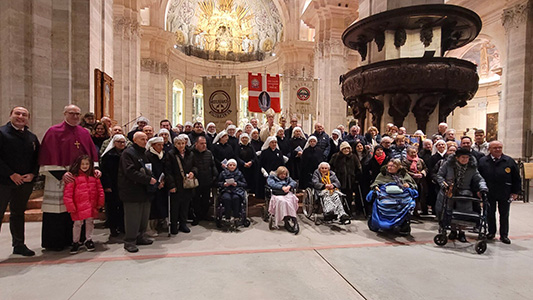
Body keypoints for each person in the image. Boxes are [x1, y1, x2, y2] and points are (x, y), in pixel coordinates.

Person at [39, 104, 99, 251]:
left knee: (79, 209)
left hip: (82, 177)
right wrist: (61, 174)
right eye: (72, 113)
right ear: (64, 113)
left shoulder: (84, 133)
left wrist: (95, 169)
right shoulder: (54, 131)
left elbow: (91, 153)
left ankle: (78, 240)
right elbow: (48, 154)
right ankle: (56, 242)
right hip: (59, 176)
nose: (75, 116)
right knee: (59, 209)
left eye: (78, 114)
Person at [0, 106, 40, 256]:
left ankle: (19, 244)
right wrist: (11, 174)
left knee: (18, 213)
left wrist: (32, 174)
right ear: (11, 115)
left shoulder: (31, 137)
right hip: (3, 181)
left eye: (24, 115)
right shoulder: (2, 133)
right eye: (17, 113)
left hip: (24, 181)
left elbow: (37, 159)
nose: (21, 116)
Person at [434, 148, 487, 243]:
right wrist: (443, 184)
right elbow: (439, 175)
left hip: (464, 193)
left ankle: (461, 232)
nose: (465, 159)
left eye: (467, 157)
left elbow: (479, 179)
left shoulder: (472, 167)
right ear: (457, 158)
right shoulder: (448, 165)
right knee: (448, 212)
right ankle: (453, 231)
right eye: (463, 157)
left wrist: (483, 187)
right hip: (448, 192)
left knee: (463, 214)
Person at [118, 132, 157, 253]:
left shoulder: (143, 153)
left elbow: (148, 169)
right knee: (132, 217)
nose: (145, 141)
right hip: (132, 191)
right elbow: (130, 172)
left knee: (143, 216)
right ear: (134, 140)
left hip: (144, 190)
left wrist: (153, 178)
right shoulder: (128, 153)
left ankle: (141, 236)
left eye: (146, 139)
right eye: (142, 139)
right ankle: (130, 241)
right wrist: (148, 179)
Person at [478, 141, 521, 244]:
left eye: (499, 148)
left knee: (504, 214)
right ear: (489, 149)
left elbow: (516, 178)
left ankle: (504, 235)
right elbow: (478, 177)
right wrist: (478, 190)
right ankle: (491, 232)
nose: (497, 150)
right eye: (495, 148)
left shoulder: (509, 161)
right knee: (490, 213)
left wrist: (515, 192)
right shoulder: (483, 161)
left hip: (504, 192)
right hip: (489, 192)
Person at [63, 155, 104, 254]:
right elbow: (68, 193)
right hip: (78, 206)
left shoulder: (94, 176)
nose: (85, 166)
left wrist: (100, 203)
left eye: (87, 164)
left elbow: (100, 190)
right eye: (82, 164)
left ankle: (88, 239)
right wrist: (70, 206)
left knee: (90, 222)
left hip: (91, 204)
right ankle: (75, 242)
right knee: (77, 224)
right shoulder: (73, 176)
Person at [166, 134, 195, 234]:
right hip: (176, 184)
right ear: (175, 144)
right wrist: (171, 185)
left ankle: (183, 223)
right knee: (175, 206)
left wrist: (193, 172)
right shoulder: (170, 154)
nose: (181, 146)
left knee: (185, 205)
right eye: (178, 144)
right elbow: (168, 171)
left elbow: (195, 166)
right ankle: (174, 225)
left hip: (187, 184)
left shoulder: (190, 154)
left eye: (183, 143)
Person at [100, 134, 127, 236]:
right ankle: (113, 228)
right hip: (112, 185)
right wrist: (107, 186)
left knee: (122, 207)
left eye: (123, 142)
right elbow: (105, 172)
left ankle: (122, 226)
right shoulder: (108, 155)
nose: (121, 144)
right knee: (112, 208)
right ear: (114, 143)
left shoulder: (126, 153)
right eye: (119, 142)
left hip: (123, 185)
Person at [329, 142, 362, 216]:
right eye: (344, 148)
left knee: (349, 197)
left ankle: (348, 212)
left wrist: (356, 177)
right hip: (338, 180)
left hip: (350, 180)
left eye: (348, 148)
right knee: (338, 196)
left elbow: (358, 168)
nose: (346, 150)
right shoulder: (336, 156)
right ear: (341, 149)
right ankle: (338, 212)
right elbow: (331, 167)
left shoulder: (353, 157)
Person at [191, 136, 218, 225]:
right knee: (196, 200)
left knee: (206, 199)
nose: (204, 145)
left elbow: (212, 165)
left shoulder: (209, 153)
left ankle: (204, 215)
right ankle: (197, 216)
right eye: (201, 143)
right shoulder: (191, 153)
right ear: (196, 144)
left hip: (207, 180)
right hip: (196, 180)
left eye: (205, 143)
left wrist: (215, 175)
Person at [145, 137, 168, 237]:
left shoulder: (164, 155)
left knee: (162, 204)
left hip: (163, 184)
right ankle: (150, 227)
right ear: (153, 145)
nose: (161, 147)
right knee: (153, 207)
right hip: (152, 185)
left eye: (162, 145)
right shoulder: (148, 155)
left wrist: (163, 181)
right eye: (158, 145)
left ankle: (161, 222)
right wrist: (156, 183)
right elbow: (148, 171)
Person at [267, 166, 299, 232]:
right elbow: (271, 184)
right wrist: (282, 187)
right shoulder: (272, 177)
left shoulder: (287, 178)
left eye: (285, 174)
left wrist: (289, 186)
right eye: (282, 174)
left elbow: (294, 182)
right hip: (277, 194)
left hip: (286, 193)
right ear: (278, 173)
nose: (283, 175)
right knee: (283, 201)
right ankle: (286, 220)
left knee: (292, 199)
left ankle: (293, 219)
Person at [217, 159, 247, 224]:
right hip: (226, 190)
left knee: (236, 198)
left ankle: (236, 216)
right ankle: (227, 217)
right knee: (227, 198)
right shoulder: (223, 173)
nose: (232, 166)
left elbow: (245, 184)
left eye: (234, 165)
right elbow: (217, 183)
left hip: (236, 190)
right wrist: (223, 184)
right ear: (227, 166)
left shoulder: (239, 173)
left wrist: (237, 183)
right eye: (230, 165)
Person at [402, 146, 428, 215]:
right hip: (410, 181)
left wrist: (422, 173)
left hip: (420, 181)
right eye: (412, 152)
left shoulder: (420, 160)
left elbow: (425, 168)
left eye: (415, 152)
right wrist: (413, 174)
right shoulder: (405, 161)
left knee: (420, 196)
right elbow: (404, 171)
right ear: (408, 153)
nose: (413, 154)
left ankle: (417, 211)